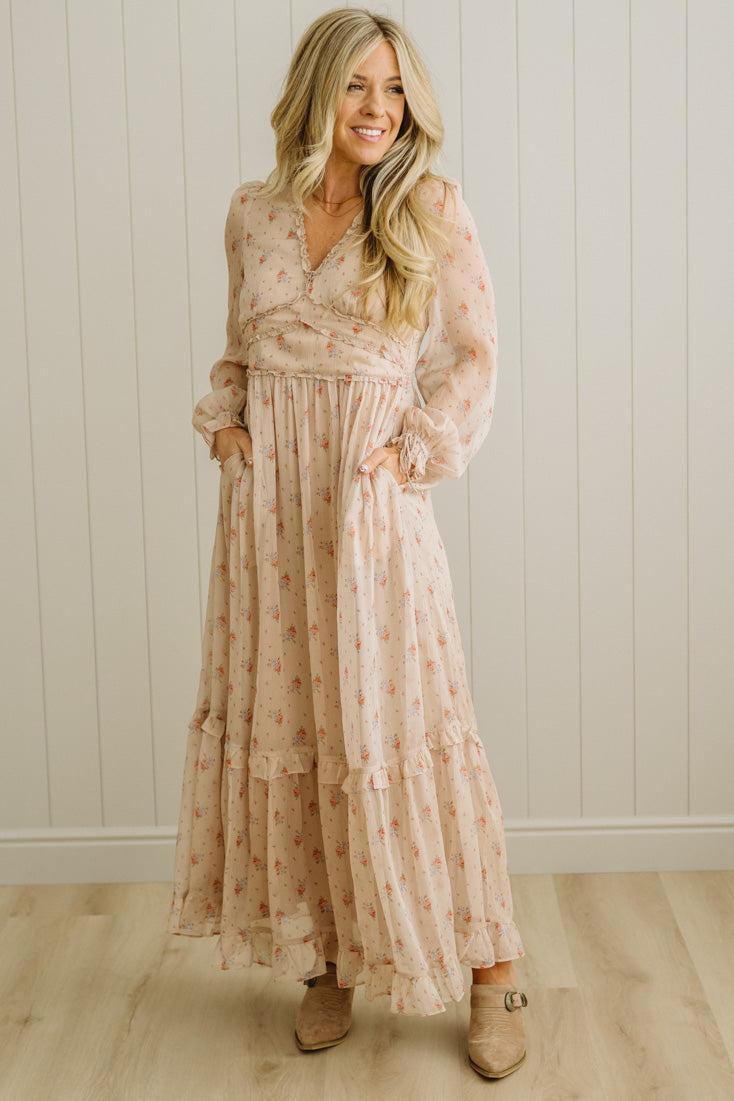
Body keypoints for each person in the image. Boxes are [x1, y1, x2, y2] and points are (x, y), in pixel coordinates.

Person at [167, 7, 529, 1080]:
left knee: (412, 724)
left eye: (394, 88)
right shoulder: (253, 213)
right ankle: (325, 959)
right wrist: (227, 422)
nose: (378, 109)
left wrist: (407, 451)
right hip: (267, 509)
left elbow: (472, 354)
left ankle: (491, 970)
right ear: (315, 93)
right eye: (356, 87)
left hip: (369, 504)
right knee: (302, 720)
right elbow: (239, 345)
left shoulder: (427, 206)